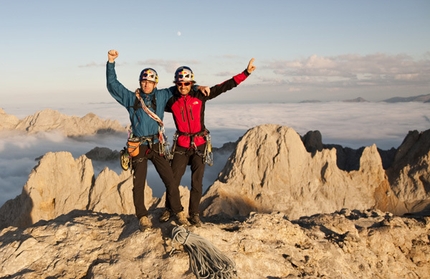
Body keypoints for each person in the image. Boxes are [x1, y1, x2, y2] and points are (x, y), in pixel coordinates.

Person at [106, 49, 208, 231]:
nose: (146, 84)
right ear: (140, 83)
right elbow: (113, 85)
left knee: (170, 179)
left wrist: (197, 86)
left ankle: (177, 211)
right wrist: (111, 63)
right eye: (144, 82)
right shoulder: (132, 98)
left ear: (155, 84)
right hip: (139, 145)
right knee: (139, 183)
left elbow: (182, 85)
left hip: (156, 144)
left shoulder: (162, 96)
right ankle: (143, 217)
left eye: (150, 82)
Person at [161, 58, 256, 227]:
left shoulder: (201, 95)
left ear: (191, 83)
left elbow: (225, 86)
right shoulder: (171, 101)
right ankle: (170, 209)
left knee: (196, 182)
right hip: (181, 145)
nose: (183, 87)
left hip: (199, 144)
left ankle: (194, 214)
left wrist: (245, 73)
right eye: (180, 84)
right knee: (173, 180)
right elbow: (156, 97)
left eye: (187, 83)